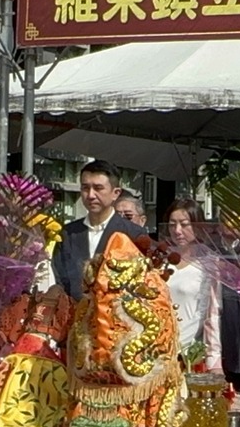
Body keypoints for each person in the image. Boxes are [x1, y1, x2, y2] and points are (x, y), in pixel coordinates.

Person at [54, 160, 145, 298]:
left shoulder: (133, 234)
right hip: (74, 314)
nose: (90, 195)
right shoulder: (68, 233)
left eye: (98, 188)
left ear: (115, 193)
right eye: (85, 188)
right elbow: (60, 279)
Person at [159, 199, 221, 374]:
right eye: (172, 225)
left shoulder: (209, 265)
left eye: (184, 225)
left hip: (187, 353)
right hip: (156, 348)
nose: (177, 231)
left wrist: (214, 360)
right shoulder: (160, 262)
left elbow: (211, 315)